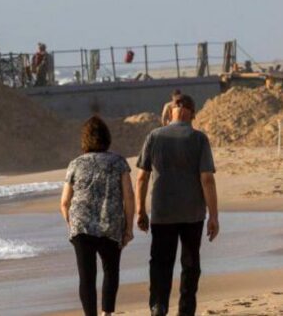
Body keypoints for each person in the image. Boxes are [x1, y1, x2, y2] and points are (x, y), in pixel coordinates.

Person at [136, 94, 219, 316]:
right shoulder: (199, 138)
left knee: (160, 261)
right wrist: (213, 216)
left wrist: (140, 210)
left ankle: (158, 304)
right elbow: (207, 179)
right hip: (192, 213)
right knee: (190, 262)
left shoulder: (154, 136)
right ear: (192, 113)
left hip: (162, 212)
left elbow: (142, 177)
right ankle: (185, 310)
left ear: (171, 111)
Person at [61, 117, 135, 316]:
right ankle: (107, 314)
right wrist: (129, 228)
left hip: (82, 225)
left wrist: (72, 224)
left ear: (84, 140)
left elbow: (65, 202)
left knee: (86, 276)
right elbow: (129, 195)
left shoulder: (75, 164)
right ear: (107, 138)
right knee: (111, 270)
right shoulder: (118, 162)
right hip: (110, 223)